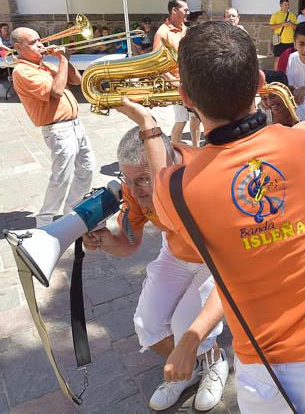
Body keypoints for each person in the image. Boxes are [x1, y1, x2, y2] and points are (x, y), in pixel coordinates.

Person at [115, 21, 305, 413]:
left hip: (268, 374)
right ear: (260, 80)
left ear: (186, 97)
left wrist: (148, 125)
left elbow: (159, 183)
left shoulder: (178, 190)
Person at [82, 128, 228, 411]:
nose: (134, 192)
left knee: (186, 328)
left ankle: (214, 361)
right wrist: (104, 241)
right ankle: (187, 369)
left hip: (214, 259)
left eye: (143, 180)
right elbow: (128, 244)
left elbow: (231, 265)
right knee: (148, 327)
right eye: (128, 180)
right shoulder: (134, 188)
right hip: (174, 253)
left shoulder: (204, 173)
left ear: (167, 166)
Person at [10, 27, 95, 227]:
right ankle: (44, 221)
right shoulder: (21, 71)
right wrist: (62, 60)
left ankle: (72, 212)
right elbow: (56, 91)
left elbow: (76, 80)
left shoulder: (44, 66)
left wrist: (67, 58)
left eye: (39, 40)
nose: (41, 45)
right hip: (58, 129)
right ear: (18, 47)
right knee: (61, 177)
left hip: (74, 125)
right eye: (33, 42)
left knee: (87, 168)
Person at [154, 0, 201, 147]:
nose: (188, 12)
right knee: (181, 120)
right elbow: (157, 64)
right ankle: (174, 151)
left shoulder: (185, 29)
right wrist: (173, 83)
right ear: (174, 10)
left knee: (196, 118)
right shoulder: (162, 32)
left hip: (189, 82)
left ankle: (196, 148)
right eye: (185, 9)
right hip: (177, 84)